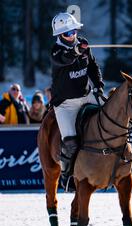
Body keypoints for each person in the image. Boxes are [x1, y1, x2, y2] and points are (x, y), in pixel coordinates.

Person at [50, 12, 105, 190]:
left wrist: (98, 86)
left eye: (74, 31)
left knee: (113, 116)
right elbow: (65, 60)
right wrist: (76, 51)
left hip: (86, 95)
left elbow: (93, 67)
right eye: (67, 33)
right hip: (65, 104)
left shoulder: (82, 44)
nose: (72, 35)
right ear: (60, 35)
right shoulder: (56, 51)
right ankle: (67, 176)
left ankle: (126, 157)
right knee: (71, 142)